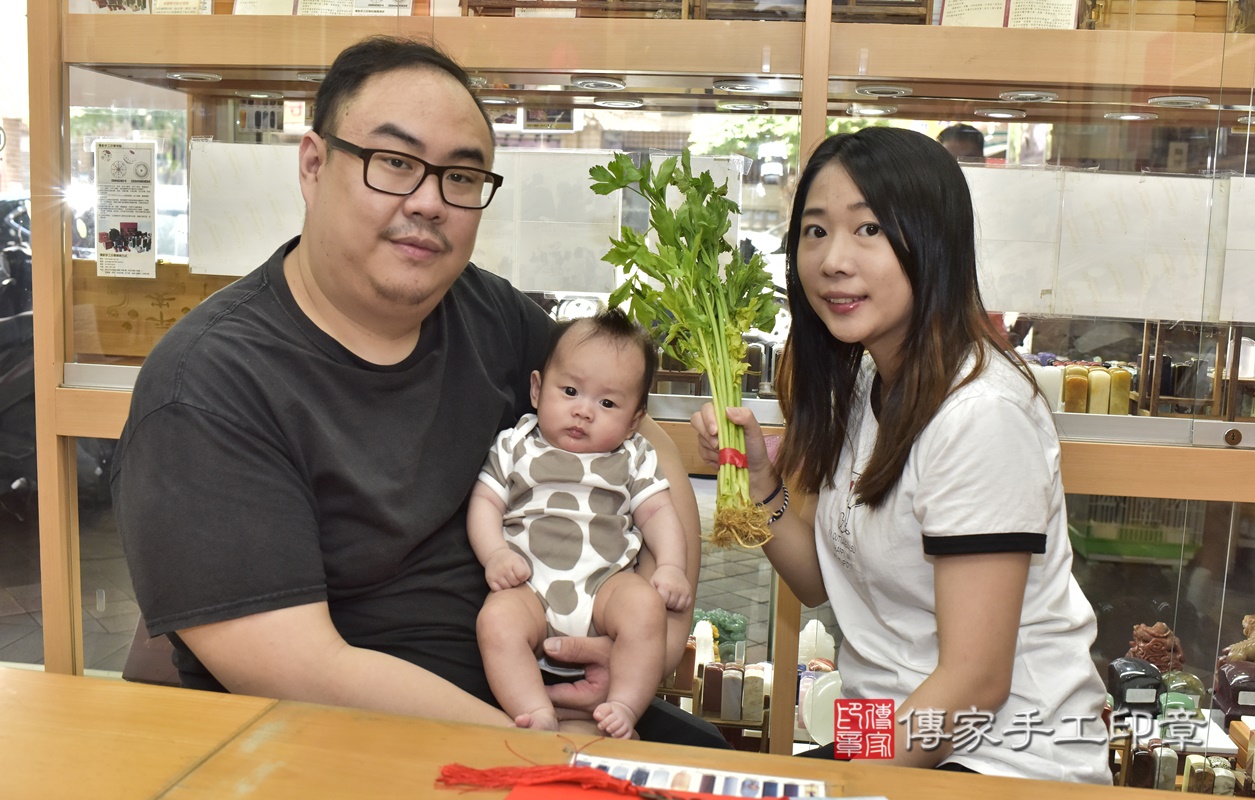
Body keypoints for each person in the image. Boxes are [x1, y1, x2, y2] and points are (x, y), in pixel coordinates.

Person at [111, 35, 724, 747]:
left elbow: (645, 444)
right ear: (313, 165)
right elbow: (302, 672)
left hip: (547, 697)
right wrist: (544, 754)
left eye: (460, 177)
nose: (430, 202)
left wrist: (651, 636)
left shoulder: (488, 313)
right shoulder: (209, 385)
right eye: (395, 163)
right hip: (358, 749)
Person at [691, 127, 1110, 781]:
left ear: (932, 243)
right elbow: (820, 584)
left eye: (869, 230)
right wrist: (760, 482)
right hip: (889, 731)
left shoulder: (980, 415)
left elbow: (976, 681)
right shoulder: (868, 380)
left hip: (1001, 759)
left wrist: (841, 785)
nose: (833, 260)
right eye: (815, 230)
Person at [471, 309, 692, 739]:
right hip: (529, 585)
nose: (583, 411)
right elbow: (485, 502)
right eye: (570, 391)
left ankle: (624, 704)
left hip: (605, 585)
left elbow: (658, 512)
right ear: (537, 390)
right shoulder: (515, 444)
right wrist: (495, 554)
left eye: (607, 403)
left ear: (634, 420)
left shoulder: (633, 456)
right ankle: (535, 710)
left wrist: (670, 566)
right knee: (496, 621)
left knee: (646, 607)